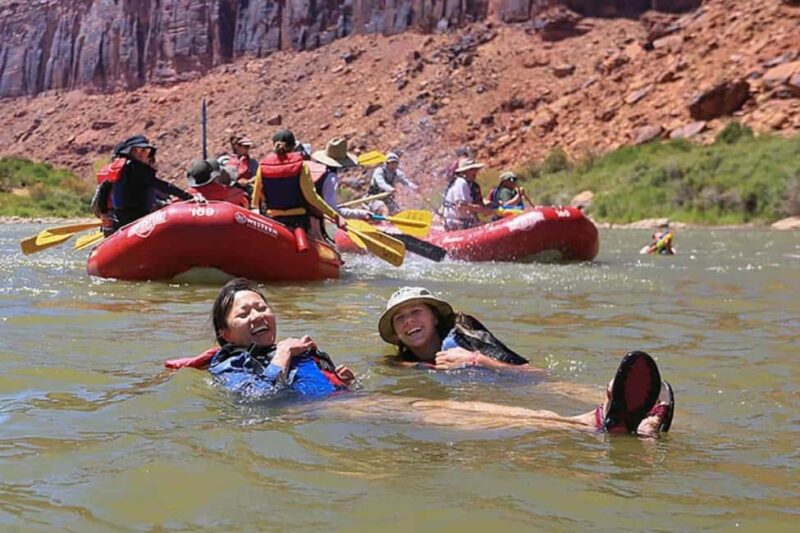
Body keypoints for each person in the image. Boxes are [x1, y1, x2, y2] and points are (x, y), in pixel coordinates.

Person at [167, 279, 675, 437]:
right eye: (244, 312)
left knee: (454, 410)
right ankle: (588, 424)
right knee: (442, 411)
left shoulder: (300, 352)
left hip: (345, 408)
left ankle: (612, 418)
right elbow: (252, 404)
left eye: (263, 306)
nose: (258, 314)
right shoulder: (229, 362)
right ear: (224, 331)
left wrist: (338, 377)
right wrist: (279, 357)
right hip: (322, 418)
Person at [378, 286, 544, 373]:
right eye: (399, 318)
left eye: (416, 311)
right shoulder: (399, 362)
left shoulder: (465, 338)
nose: (409, 320)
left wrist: (475, 360)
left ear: (435, 318)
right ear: (396, 333)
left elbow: (532, 373)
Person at [101, 135, 197, 233]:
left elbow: (104, 188)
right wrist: (187, 196)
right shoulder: (138, 168)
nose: (144, 154)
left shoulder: (120, 168)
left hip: (121, 217)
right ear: (132, 152)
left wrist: (103, 212)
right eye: (140, 150)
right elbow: (162, 185)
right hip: (136, 218)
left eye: (145, 151)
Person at [253, 129, 342, 234]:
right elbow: (312, 197)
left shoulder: (262, 167)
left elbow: (255, 200)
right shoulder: (302, 166)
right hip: (298, 222)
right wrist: (335, 216)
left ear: (273, 145)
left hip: (273, 222)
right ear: (294, 146)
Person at [311, 138, 372, 221]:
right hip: (315, 218)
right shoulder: (330, 177)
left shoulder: (311, 168)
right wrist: (360, 214)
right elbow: (332, 210)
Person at [442, 158, 495, 231]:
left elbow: (479, 206)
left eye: (475, 169)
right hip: (456, 222)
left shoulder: (472, 185)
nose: (475, 172)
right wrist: (482, 209)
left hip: (465, 221)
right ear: (464, 172)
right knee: (488, 228)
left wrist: (491, 207)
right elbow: (461, 206)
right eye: (472, 169)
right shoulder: (461, 182)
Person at [227, 134, 259, 202]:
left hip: (248, 191)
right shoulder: (227, 161)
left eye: (248, 147)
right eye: (246, 147)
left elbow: (257, 176)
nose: (248, 149)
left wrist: (248, 181)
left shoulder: (252, 162)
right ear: (237, 147)